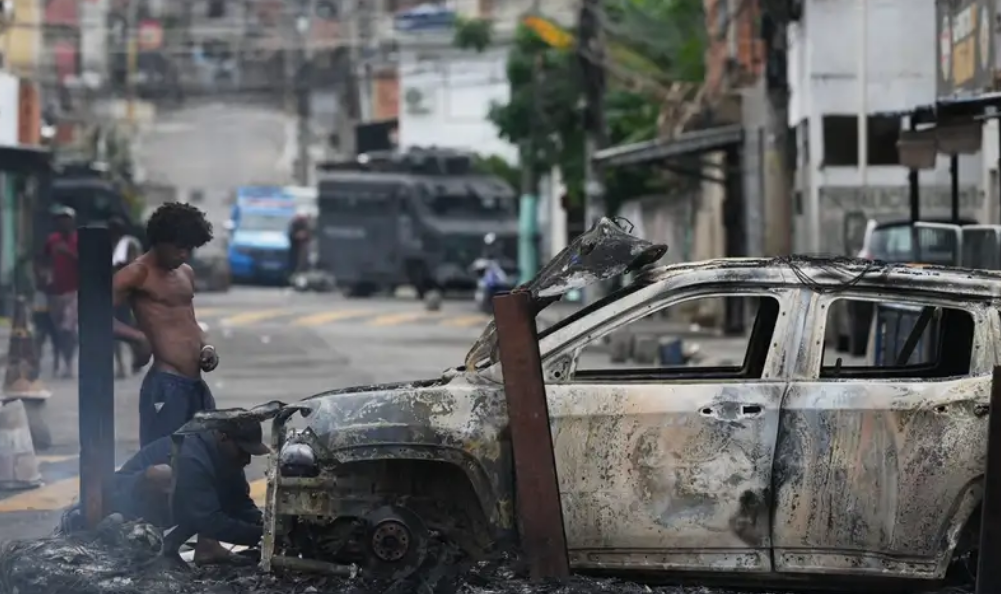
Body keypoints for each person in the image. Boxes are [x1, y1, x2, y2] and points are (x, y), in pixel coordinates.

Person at [112, 202, 218, 447]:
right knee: (162, 458)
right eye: (179, 248)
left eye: (189, 249)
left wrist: (206, 347)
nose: (184, 255)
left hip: (196, 384)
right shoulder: (137, 273)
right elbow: (93, 315)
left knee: (205, 455)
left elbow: (189, 321)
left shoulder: (186, 272)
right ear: (160, 240)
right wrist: (136, 337)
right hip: (166, 384)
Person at [169, 419, 270, 565]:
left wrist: (265, 524)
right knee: (163, 476)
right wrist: (262, 536)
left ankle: (206, 549)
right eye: (242, 450)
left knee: (211, 499)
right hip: (145, 509)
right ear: (223, 437)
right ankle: (158, 550)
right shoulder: (193, 459)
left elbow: (239, 503)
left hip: (189, 509)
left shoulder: (225, 458)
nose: (247, 460)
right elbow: (210, 522)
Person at [44, 206, 79, 378]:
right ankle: (62, 360)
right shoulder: (52, 240)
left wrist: (68, 253)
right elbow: (43, 260)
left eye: (66, 219)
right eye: (60, 220)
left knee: (67, 328)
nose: (63, 223)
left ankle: (69, 362)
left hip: (74, 290)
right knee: (57, 330)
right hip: (55, 291)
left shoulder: (78, 239)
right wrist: (44, 276)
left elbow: (85, 262)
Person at [109, 216, 143, 378]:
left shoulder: (129, 244)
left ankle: (135, 360)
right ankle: (121, 365)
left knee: (130, 328)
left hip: (129, 292)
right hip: (114, 292)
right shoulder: (109, 245)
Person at [32, 256, 58, 376]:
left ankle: (55, 364)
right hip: (41, 311)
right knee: (40, 339)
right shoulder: (39, 279)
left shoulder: (49, 276)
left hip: (49, 312)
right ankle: (37, 364)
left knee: (54, 339)